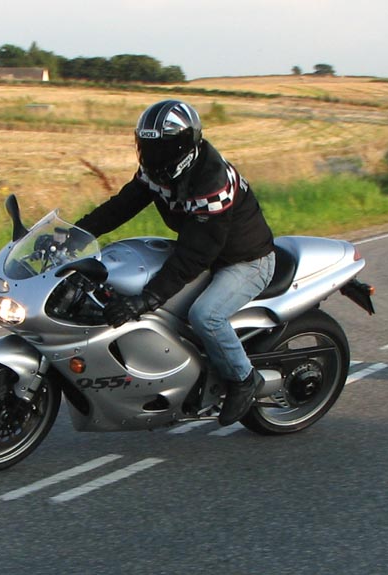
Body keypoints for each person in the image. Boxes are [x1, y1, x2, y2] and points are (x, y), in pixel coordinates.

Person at [74, 100, 275, 426]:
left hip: (246, 260)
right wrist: (74, 234)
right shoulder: (159, 171)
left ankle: (244, 379)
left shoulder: (212, 183)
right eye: (148, 147)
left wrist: (146, 299)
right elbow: (121, 206)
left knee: (205, 316)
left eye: (161, 148)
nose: (153, 156)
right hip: (206, 251)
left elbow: (196, 254)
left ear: (184, 147)